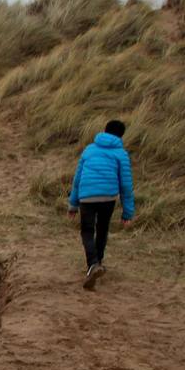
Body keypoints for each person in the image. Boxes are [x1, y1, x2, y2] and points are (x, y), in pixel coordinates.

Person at [67, 120, 136, 290]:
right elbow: (126, 186)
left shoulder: (89, 149)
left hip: (86, 196)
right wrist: (127, 213)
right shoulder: (121, 154)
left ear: (104, 131)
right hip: (108, 197)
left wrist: (73, 204)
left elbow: (77, 179)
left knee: (87, 231)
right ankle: (98, 262)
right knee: (103, 229)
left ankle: (93, 264)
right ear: (121, 136)